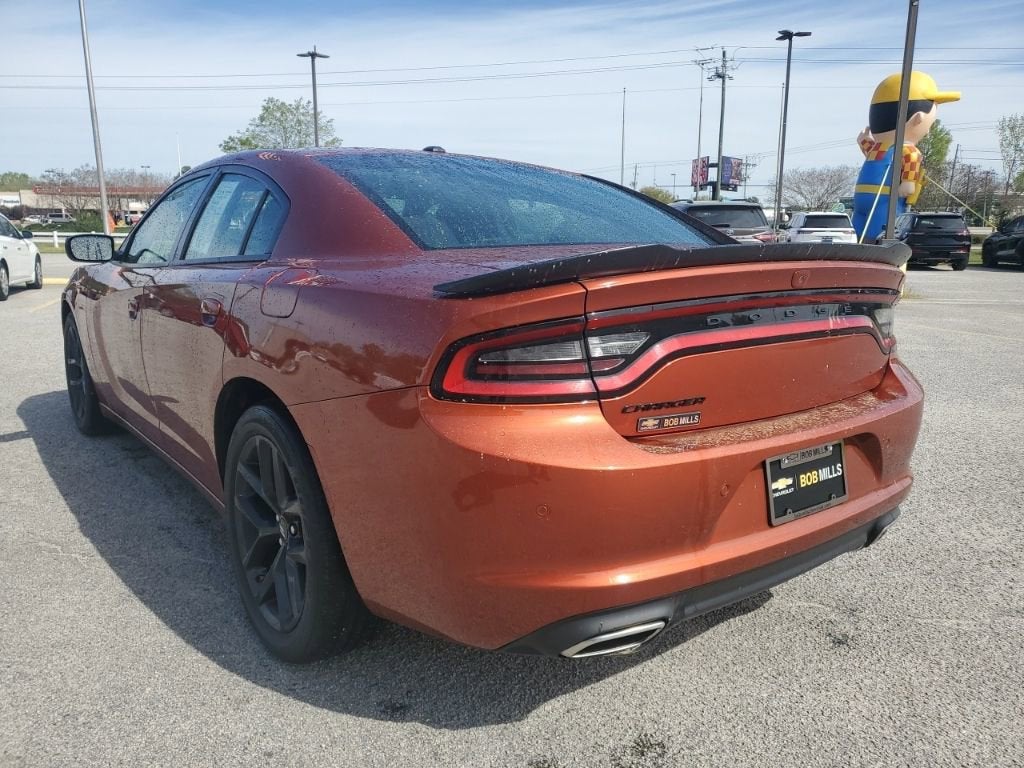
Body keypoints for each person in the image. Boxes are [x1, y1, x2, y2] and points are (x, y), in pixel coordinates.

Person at [852, 71, 959, 243]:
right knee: (875, 235)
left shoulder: (886, 148)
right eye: (929, 125)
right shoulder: (907, 149)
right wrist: (909, 183)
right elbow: (909, 165)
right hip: (884, 201)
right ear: (918, 118)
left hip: (870, 199)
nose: (928, 131)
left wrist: (863, 140)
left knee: (865, 234)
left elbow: (875, 156)